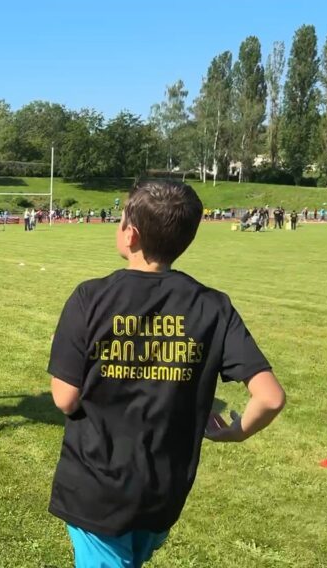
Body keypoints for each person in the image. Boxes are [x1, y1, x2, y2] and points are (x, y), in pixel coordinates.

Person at [46, 179, 286, 567]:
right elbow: (270, 397)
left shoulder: (90, 297)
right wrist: (235, 432)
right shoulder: (213, 306)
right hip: (165, 486)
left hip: (97, 484)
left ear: (132, 234)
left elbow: (64, 398)